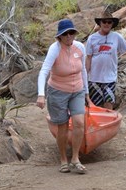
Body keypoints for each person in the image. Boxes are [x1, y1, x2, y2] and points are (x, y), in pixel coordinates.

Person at [36, 19, 90, 174]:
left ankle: (75, 158)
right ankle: (63, 159)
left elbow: (83, 71)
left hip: (77, 90)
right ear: (59, 36)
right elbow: (44, 71)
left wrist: (86, 92)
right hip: (58, 91)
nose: (68, 36)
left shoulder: (79, 47)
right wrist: (41, 94)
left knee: (79, 122)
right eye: (65, 34)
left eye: (71, 33)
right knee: (63, 126)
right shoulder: (54, 49)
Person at [85, 9, 126, 110]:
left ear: (112, 24)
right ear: (100, 23)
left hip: (110, 78)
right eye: (104, 22)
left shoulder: (117, 37)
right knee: (95, 106)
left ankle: (107, 124)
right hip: (94, 78)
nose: (106, 24)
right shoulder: (92, 38)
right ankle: (96, 125)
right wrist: (85, 74)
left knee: (109, 102)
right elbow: (88, 57)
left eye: (109, 22)